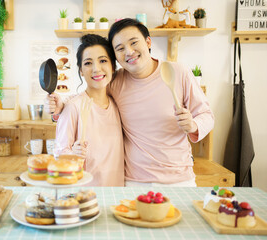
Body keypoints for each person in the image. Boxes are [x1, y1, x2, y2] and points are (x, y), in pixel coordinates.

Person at [46, 18, 214, 187]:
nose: (129, 52)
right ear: (116, 59)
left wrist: (193, 125)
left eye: (134, 43)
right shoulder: (117, 81)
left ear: (148, 41)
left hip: (180, 178)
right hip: (134, 180)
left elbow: (206, 115)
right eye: (120, 48)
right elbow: (89, 92)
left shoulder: (177, 72)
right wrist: (61, 106)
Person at [53, 34, 124, 187]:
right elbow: (59, 155)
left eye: (103, 61)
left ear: (113, 65)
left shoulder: (117, 105)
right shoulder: (73, 107)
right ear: (81, 71)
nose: (96, 69)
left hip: (117, 191)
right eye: (88, 63)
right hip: (85, 195)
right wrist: (73, 153)